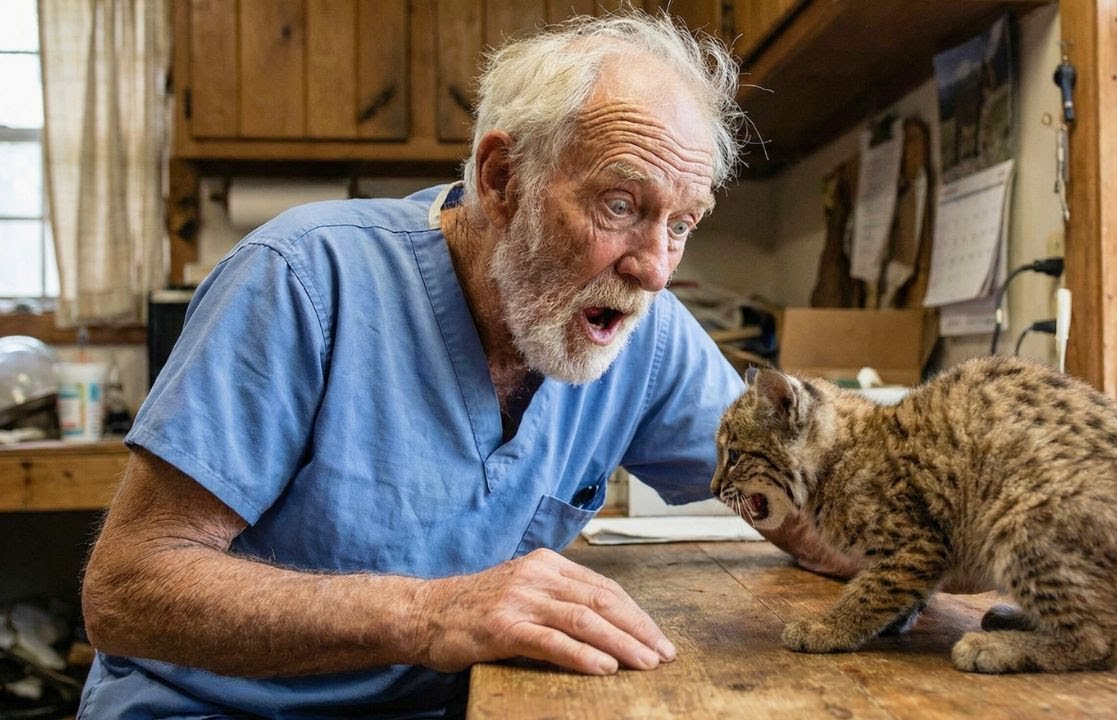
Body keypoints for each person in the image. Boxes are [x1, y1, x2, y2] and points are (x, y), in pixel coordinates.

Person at [76, 11, 844, 718]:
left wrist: (941, 540)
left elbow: (800, 498)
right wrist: (429, 612)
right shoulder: (303, 278)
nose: (654, 269)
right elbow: (127, 590)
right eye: (620, 205)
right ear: (502, 179)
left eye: (681, 223)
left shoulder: (645, 337)